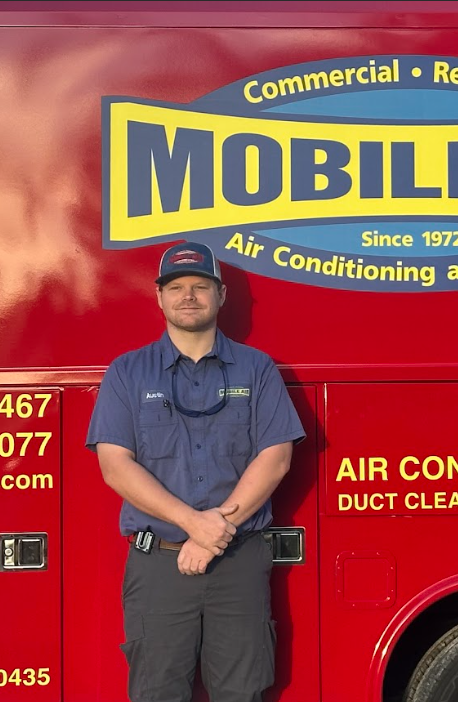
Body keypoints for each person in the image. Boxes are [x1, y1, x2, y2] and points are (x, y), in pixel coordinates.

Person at [86, 241, 305, 702]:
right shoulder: (127, 373)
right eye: (177, 287)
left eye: (200, 286)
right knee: (157, 693)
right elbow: (115, 466)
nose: (189, 296)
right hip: (160, 565)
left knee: (242, 693)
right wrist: (194, 526)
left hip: (238, 564)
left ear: (221, 295)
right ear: (159, 296)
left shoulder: (257, 368)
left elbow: (276, 457)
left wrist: (213, 534)